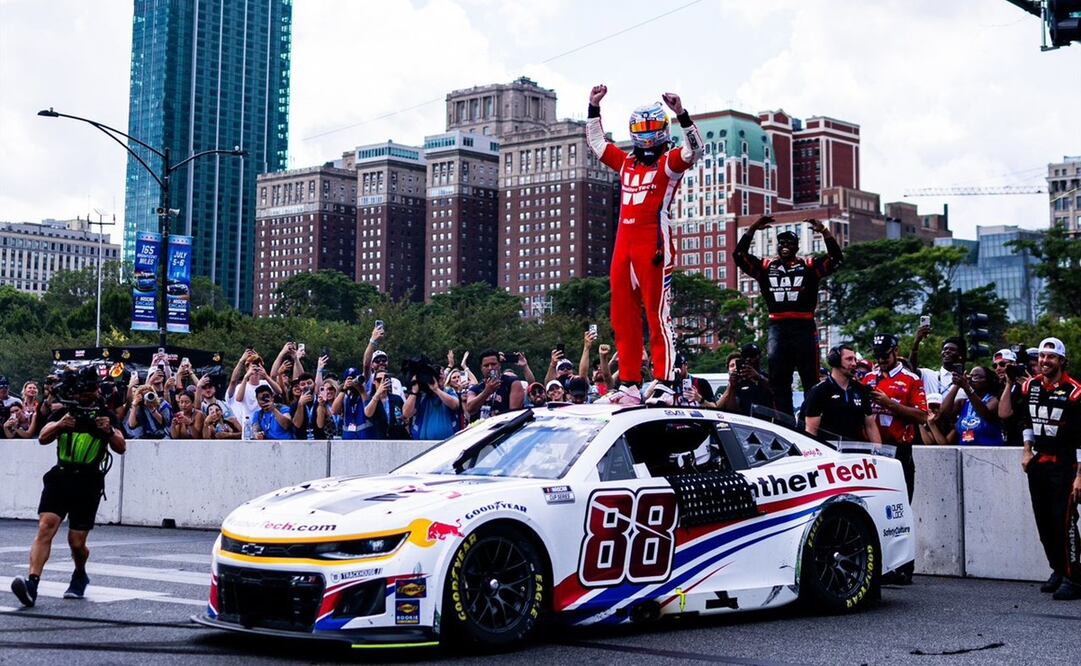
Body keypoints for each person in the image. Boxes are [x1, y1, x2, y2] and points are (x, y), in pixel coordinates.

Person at [585, 84, 704, 394]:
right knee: (622, 315)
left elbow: (695, 151)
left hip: (654, 245)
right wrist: (593, 107)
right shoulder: (625, 163)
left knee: (657, 313)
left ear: (663, 130)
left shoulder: (668, 163)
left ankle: (664, 380)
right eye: (641, 128)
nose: (647, 134)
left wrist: (681, 114)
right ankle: (629, 381)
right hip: (623, 246)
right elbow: (597, 144)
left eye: (652, 127)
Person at [10, 367, 125, 607]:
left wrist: (109, 430)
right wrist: (60, 425)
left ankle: (80, 573)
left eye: (89, 391)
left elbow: (121, 447)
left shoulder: (105, 416)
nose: (84, 397)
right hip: (61, 476)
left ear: (96, 391)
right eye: (80, 392)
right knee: (46, 526)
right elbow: (42, 437)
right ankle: (32, 583)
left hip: (89, 481)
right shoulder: (64, 413)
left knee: (76, 542)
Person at [733, 216, 843, 415]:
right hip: (778, 326)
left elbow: (836, 258)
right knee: (778, 380)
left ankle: (810, 423)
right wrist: (752, 229)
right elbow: (739, 255)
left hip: (804, 326)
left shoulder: (809, 266)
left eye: (790, 243)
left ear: (797, 247)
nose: (785, 247)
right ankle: (785, 423)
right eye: (781, 243)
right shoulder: (766, 268)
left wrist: (825, 232)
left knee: (810, 378)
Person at [1015, 337, 1081, 600]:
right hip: (1039, 463)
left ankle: (1074, 577)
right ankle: (1057, 569)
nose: (1044, 361)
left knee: (1064, 521)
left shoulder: (1075, 391)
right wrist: (1027, 449)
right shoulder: (1029, 386)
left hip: (1065, 465)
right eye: (1042, 356)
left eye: (1051, 357)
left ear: (1062, 361)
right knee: (1044, 521)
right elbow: (1026, 420)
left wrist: (1079, 476)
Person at [804, 345, 880, 444]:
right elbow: (811, 431)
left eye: (854, 359)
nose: (854, 363)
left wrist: (879, 452)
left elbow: (870, 425)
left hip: (856, 451)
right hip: (829, 452)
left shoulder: (861, 390)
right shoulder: (818, 391)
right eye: (849, 359)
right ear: (835, 361)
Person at [941, 366, 1003, 446]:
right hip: (965, 452)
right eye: (971, 376)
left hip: (990, 452)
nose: (972, 379)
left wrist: (967, 387)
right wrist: (957, 385)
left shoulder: (994, 400)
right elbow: (945, 412)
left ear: (987, 381)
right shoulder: (963, 402)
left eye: (977, 376)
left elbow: (985, 413)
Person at [404, 363, 461, 441]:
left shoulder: (449, 391)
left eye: (442, 374)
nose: (441, 377)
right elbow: (406, 414)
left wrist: (436, 389)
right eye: (439, 375)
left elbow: (455, 405)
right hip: (421, 444)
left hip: (448, 443)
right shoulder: (421, 395)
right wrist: (414, 391)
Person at [464, 349, 525, 421]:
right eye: (486, 365)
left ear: (499, 365)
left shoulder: (512, 382)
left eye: (493, 364)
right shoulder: (475, 388)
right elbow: (470, 409)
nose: (490, 368)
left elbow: (514, 415)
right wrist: (486, 392)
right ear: (481, 368)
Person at [909, 323, 966, 398]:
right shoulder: (928, 375)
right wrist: (916, 342)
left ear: (960, 355)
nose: (947, 351)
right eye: (945, 349)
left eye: (952, 349)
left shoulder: (965, 382)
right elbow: (911, 368)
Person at [717, 345, 775, 417]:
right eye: (745, 356)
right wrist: (731, 388)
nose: (748, 359)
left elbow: (778, 392)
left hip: (768, 422)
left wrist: (759, 378)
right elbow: (732, 411)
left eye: (752, 356)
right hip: (746, 423)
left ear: (759, 357)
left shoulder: (768, 377)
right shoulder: (739, 380)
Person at [996, 348, 1031, 447]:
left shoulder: (1027, 383)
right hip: (1010, 439)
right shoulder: (1000, 389)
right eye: (995, 365)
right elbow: (1003, 414)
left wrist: (1030, 385)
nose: (998, 368)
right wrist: (1008, 383)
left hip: (1027, 438)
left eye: (1003, 364)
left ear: (1014, 365)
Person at [364, 371, 409, 439]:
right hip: (378, 438)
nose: (383, 382)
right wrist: (378, 393)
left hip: (397, 438)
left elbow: (405, 418)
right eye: (379, 380)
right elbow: (368, 414)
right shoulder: (370, 399)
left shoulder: (397, 399)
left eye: (385, 379)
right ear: (374, 382)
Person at [332, 369, 373, 440]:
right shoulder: (344, 396)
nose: (352, 382)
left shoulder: (366, 392)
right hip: (348, 436)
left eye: (354, 379)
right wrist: (344, 389)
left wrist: (361, 390)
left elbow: (367, 406)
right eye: (349, 379)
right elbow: (334, 411)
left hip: (365, 435)